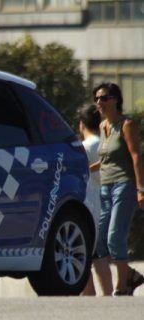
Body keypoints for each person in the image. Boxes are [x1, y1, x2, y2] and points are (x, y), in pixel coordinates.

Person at [92, 82, 144, 296]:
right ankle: (130, 275)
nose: (99, 103)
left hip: (124, 185)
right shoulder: (103, 126)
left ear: (115, 100)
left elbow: (135, 156)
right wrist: (84, 169)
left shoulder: (126, 124)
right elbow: (104, 161)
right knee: (101, 241)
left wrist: (140, 188)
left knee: (115, 236)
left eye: (103, 98)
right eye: (96, 99)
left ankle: (121, 287)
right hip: (105, 186)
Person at [77, 105, 104, 296]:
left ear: (81, 124)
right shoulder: (105, 142)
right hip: (105, 203)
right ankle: (110, 291)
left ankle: (88, 295)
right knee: (100, 255)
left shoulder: (84, 148)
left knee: (85, 254)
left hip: (89, 205)